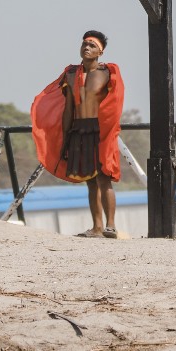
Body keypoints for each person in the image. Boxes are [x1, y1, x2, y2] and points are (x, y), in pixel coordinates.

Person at [31, 31, 126, 238]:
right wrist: (64, 138)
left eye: (92, 45)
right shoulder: (71, 74)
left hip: (99, 131)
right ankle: (97, 227)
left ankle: (111, 226)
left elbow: (115, 105)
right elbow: (67, 109)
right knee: (90, 181)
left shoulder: (108, 72)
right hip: (78, 129)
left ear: (101, 51)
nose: (86, 47)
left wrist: (109, 133)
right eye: (84, 44)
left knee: (104, 177)